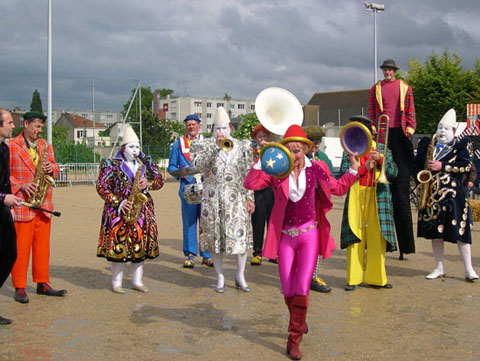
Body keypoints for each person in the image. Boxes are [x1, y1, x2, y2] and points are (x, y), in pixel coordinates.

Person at [244, 125, 359, 360]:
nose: (294, 155)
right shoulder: (277, 171)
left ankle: (294, 338)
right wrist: (262, 159)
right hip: (285, 235)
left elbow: (337, 188)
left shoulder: (317, 168)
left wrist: (354, 170)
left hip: (309, 235)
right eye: (290, 149)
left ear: (306, 149)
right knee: (287, 288)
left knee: (302, 287)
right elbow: (251, 184)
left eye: (298, 150)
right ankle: (300, 319)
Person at [190, 107, 254, 293]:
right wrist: (214, 149)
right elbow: (197, 166)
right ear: (212, 129)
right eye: (217, 128)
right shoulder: (202, 146)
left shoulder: (243, 146)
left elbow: (248, 173)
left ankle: (240, 275)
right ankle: (219, 276)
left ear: (230, 129)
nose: (221, 132)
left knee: (240, 239)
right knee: (215, 239)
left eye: (224, 128)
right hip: (213, 199)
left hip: (237, 199)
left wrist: (250, 197)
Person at [412, 109, 478, 281]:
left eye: (446, 129)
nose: (441, 131)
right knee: (435, 232)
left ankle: (468, 269)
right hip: (432, 195)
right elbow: (417, 165)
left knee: (461, 233)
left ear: (453, 131)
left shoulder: (462, 145)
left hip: (455, 196)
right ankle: (439, 267)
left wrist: (443, 166)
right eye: (440, 128)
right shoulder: (428, 144)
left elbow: (465, 166)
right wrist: (419, 181)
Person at [96, 126, 164, 293]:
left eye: (138, 147)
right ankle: (116, 283)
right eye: (132, 147)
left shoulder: (143, 164)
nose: (135, 150)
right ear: (123, 148)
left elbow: (159, 180)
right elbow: (102, 186)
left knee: (139, 246)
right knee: (119, 246)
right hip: (118, 211)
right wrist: (118, 202)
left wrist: (147, 184)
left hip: (141, 211)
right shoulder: (111, 164)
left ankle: (137, 281)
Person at [9, 111, 66, 303]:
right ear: (25, 124)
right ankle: (20, 286)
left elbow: (55, 166)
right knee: (21, 248)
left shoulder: (44, 145)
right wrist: (21, 185)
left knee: (42, 247)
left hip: (43, 203)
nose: (39, 130)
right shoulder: (11, 146)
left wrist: (53, 168)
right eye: (37, 126)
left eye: (42, 127)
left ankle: (43, 283)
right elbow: (4, 175)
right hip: (23, 203)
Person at [339, 116, 398, 291]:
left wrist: (380, 160)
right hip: (357, 197)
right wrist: (363, 168)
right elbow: (342, 174)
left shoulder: (381, 149)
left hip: (377, 197)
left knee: (376, 239)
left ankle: (377, 279)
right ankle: (353, 279)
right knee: (355, 238)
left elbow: (394, 172)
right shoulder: (348, 150)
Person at [368, 59, 416, 260]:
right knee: (380, 187)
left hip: (400, 135)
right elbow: (372, 110)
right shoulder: (375, 88)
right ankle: (378, 242)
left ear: (394, 71)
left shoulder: (405, 87)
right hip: (383, 133)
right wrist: (373, 127)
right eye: (385, 69)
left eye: (390, 69)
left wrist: (409, 130)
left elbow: (411, 111)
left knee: (401, 193)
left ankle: (405, 246)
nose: (387, 72)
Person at [168, 114, 212, 268]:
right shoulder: (178, 144)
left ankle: (207, 254)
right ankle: (190, 254)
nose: (191, 127)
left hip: (206, 188)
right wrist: (182, 173)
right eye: (188, 125)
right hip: (188, 188)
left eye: (194, 124)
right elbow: (171, 167)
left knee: (206, 222)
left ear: (199, 126)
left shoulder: (208, 143)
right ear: (185, 127)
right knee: (189, 222)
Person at [0, 109, 23, 324]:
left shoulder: (4, 149)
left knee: (9, 254)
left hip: (3, 211)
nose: (12, 126)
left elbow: (5, 182)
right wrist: (2, 197)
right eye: (8, 122)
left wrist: (10, 203)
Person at [304, 126, 334, 293]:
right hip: (299, 209)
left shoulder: (321, 157)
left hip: (315, 207)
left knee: (315, 243)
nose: (315, 150)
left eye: (317, 146)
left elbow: (331, 181)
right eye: (313, 146)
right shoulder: (296, 157)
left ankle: (313, 276)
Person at [250, 124, 274, 266]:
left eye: (265, 136)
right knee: (257, 222)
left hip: (272, 190)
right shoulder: (251, 152)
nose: (262, 139)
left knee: (272, 222)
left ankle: (273, 252)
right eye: (260, 137)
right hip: (257, 191)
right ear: (255, 139)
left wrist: (271, 147)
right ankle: (257, 252)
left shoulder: (274, 150)